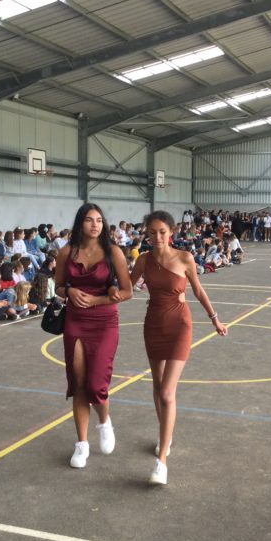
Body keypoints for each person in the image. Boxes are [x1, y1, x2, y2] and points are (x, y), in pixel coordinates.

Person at [130, 210, 227, 485]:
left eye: (162, 232)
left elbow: (198, 290)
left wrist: (215, 319)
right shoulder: (144, 260)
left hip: (179, 326)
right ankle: (166, 435)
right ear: (147, 234)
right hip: (153, 326)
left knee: (166, 391)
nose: (157, 237)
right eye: (152, 232)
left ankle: (161, 461)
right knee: (157, 385)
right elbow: (125, 287)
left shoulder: (184, 258)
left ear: (171, 232)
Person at [53, 203, 132, 470]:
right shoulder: (67, 252)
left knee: (97, 384)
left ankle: (105, 422)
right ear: (80, 223)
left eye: (99, 220)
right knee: (78, 383)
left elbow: (127, 291)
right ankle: (82, 444)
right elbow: (58, 287)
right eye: (89, 220)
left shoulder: (113, 252)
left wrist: (97, 300)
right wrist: (69, 292)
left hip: (105, 321)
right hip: (75, 320)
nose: (95, 224)